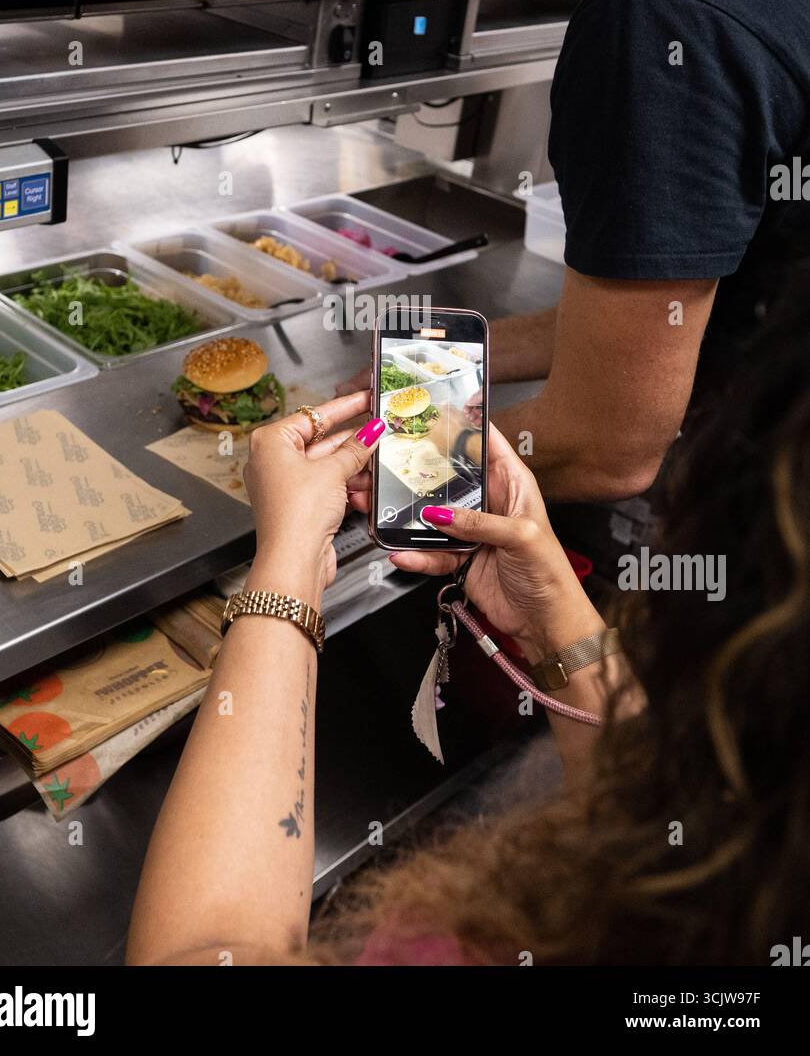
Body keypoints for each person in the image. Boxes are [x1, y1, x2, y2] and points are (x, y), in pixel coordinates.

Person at [127, 266, 810, 967]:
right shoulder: (743, 885)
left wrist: (288, 564)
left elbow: (204, 954)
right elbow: (660, 816)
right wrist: (554, 618)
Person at [343, 0, 810, 506]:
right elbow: (649, 317)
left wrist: (383, 458)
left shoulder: (654, 9)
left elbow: (608, 446)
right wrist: (435, 360)